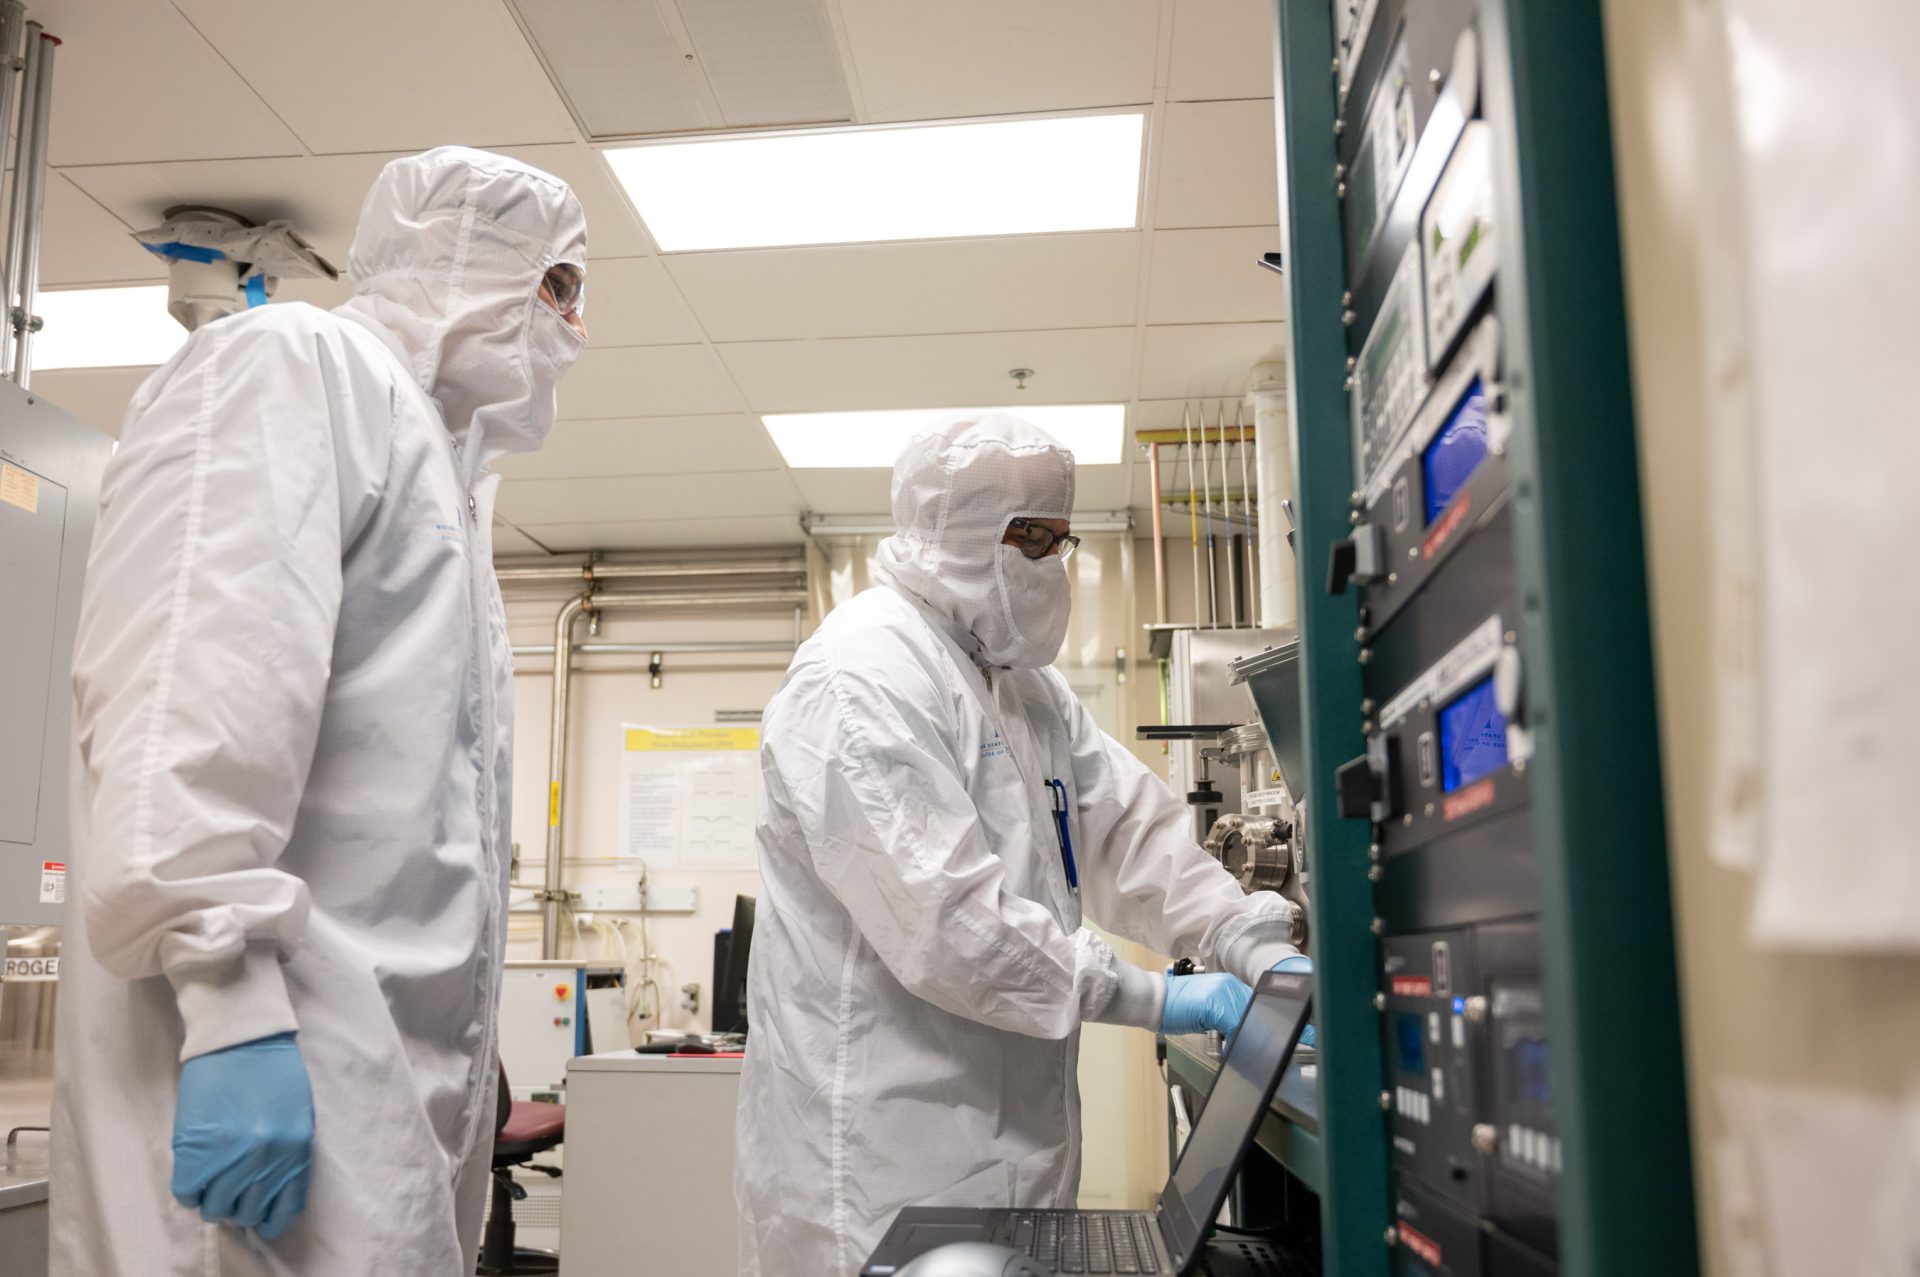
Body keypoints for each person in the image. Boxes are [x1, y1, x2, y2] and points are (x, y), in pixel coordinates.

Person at [49, 146, 588, 1276]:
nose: (574, 332)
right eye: (558, 286)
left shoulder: (440, 469)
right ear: (464, 259)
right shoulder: (294, 363)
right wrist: (230, 997)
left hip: (373, 1098)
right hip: (261, 1066)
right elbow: (188, 686)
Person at [735, 411, 1310, 1276]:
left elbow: (1128, 830)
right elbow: (950, 924)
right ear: (956, 533)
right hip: (886, 1167)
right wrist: (1158, 998)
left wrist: (1244, 935)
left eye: (1061, 541)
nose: (1052, 567)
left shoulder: (1020, 689)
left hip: (1010, 1157)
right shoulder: (862, 677)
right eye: (1029, 540)